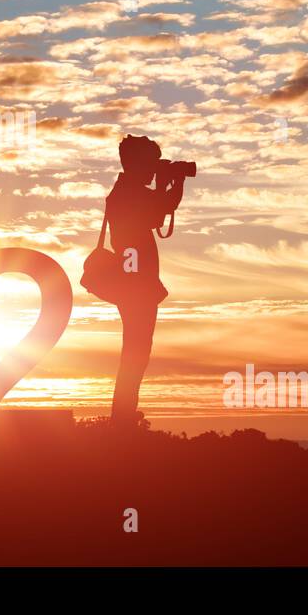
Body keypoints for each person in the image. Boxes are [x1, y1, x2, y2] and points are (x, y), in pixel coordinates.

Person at [105, 134, 186, 428]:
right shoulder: (129, 192)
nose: (154, 169)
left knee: (137, 350)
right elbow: (162, 209)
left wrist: (168, 182)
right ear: (138, 163)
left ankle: (123, 416)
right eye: (152, 164)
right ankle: (122, 419)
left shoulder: (127, 190)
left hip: (136, 281)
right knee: (136, 350)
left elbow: (158, 212)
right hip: (135, 283)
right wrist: (172, 182)